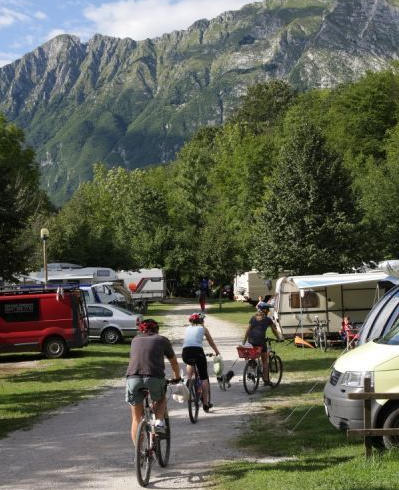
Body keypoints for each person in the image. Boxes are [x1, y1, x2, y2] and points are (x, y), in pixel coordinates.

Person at [126, 319, 180, 444]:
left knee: (136, 418)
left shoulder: (135, 340)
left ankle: (139, 454)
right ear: (157, 330)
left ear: (142, 329)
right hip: (154, 377)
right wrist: (176, 378)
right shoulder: (162, 340)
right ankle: (159, 422)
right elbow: (174, 362)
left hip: (133, 378)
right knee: (161, 399)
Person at [182, 312, 220, 412]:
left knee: (190, 362)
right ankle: (206, 403)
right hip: (198, 352)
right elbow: (210, 342)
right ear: (201, 321)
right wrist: (217, 352)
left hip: (185, 353)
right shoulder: (203, 329)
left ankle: (189, 380)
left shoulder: (187, 329)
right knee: (203, 377)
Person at [242, 303, 280, 385]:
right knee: (265, 361)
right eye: (268, 309)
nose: (269, 311)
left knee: (254, 354)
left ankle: (253, 367)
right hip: (260, 341)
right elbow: (274, 330)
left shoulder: (253, 318)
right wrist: (279, 338)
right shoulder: (267, 319)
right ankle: (266, 380)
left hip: (251, 340)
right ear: (265, 310)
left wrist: (244, 341)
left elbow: (248, 330)